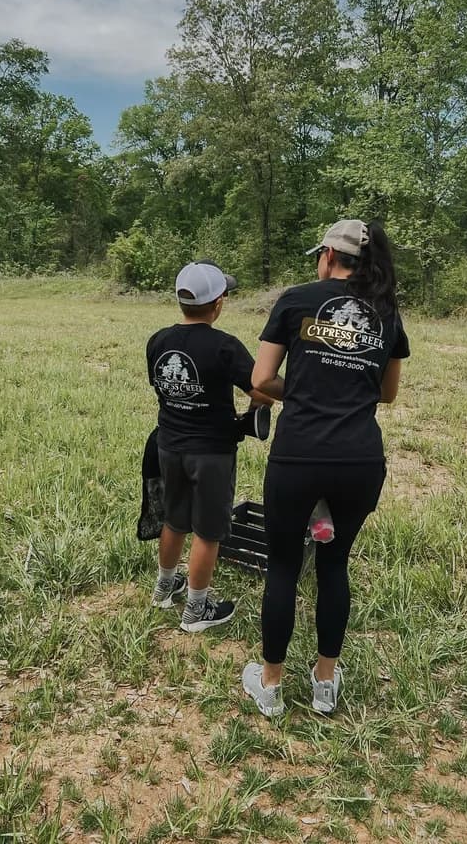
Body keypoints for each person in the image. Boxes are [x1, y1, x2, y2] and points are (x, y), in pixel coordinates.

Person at [242, 219, 410, 716]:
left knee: (284, 566)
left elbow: (259, 380)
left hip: (298, 454)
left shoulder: (296, 300)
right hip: (359, 460)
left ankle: (270, 686)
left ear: (330, 257)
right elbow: (388, 393)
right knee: (334, 565)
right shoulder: (386, 312)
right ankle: (324, 683)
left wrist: (303, 393)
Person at [146, 261, 273, 632]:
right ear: (218, 303)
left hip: (168, 445)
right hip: (212, 453)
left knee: (174, 518)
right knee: (207, 530)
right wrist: (257, 408)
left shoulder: (158, 340)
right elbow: (262, 388)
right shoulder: (225, 346)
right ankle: (196, 611)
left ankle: (164, 589)